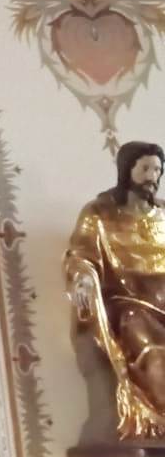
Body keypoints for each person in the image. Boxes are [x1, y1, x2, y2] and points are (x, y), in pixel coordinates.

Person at [67, 141, 165, 440]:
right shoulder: (99, 213)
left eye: (158, 170)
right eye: (145, 168)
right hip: (131, 307)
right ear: (127, 170)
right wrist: (82, 277)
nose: (152, 177)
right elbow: (81, 255)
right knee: (155, 357)